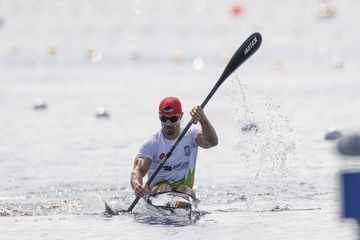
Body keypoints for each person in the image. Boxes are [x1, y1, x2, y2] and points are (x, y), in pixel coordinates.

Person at [130, 96, 218, 198]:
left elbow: (212, 142)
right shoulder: (152, 144)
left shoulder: (192, 136)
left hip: (184, 192)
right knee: (164, 187)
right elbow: (137, 171)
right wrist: (138, 186)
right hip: (158, 192)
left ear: (180, 116)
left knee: (185, 190)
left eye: (172, 119)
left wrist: (202, 118)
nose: (168, 123)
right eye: (164, 119)